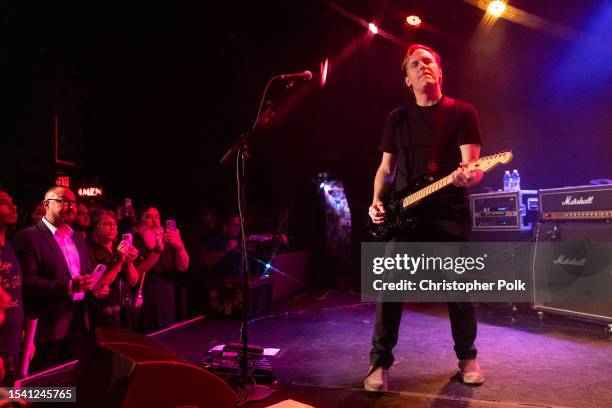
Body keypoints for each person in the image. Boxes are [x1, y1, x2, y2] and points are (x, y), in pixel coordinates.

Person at [365, 44, 485, 392]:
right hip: (404, 215)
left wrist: (468, 176)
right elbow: (386, 169)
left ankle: (467, 357)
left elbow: (473, 168)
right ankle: (378, 363)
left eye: (428, 60)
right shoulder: (397, 118)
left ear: (440, 71)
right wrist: (375, 201)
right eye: (415, 64)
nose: (422, 66)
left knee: (459, 288)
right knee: (390, 286)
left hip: (449, 212)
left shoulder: (461, 112)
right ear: (407, 79)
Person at [12, 186, 93, 369]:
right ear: (46, 204)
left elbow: (85, 271)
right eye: (64, 201)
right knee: (45, 388)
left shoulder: (78, 238)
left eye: (73, 202)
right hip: (47, 328)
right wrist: (69, 287)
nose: (71, 206)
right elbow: (26, 282)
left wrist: (93, 283)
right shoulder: (28, 237)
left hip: (78, 321)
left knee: (70, 383)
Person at [133, 206, 189, 333]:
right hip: (146, 290)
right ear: (141, 221)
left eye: (157, 217)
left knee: (167, 331)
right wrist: (156, 251)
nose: (154, 220)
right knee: (146, 332)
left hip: (167, 290)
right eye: (149, 217)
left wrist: (180, 247)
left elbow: (183, 267)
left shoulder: (169, 238)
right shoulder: (137, 239)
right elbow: (137, 271)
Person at [87, 210, 139, 328]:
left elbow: (133, 281)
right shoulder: (90, 251)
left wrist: (129, 262)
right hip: (104, 314)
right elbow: (97, 285)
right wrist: (119, 262)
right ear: (95, 228)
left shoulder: (119, 248)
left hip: (125, 311)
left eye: (114, 224)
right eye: (106, 224)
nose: (112, 227)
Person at [0, 191, 26, 386]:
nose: (13, 206)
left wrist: (23, 334)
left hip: (13, 347)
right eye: (3, 203)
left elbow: (16, 293)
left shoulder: (8, 247)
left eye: (12, 202)